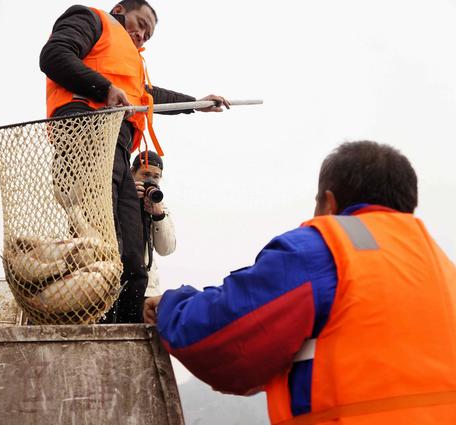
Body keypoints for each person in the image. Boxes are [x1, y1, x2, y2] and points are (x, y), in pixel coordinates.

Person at [144, 141, 456, 424]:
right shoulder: (442, 267)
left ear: (329, 204)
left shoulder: (326, 250)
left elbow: (222, 332)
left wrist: (172, 304)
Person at [40, 0, 228, 323]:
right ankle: (95, 325)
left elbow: (152, 98)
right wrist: (104, 88)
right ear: (119, 10)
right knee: (101, 243)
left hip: (117, 149)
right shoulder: (91, 19)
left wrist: (198, 103)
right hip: (86, 132)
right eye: (140, 23)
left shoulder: (132, 68)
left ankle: (123, 328)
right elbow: (53, 56)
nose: (142, 34)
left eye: (148, 33)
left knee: (131, 257)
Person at [131, 151, 176, 298]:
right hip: (116, 284)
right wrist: (128, 197)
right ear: (132, 173)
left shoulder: (160, 207)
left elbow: (166, 249)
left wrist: (158, 216)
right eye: (145, 175)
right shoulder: (118, 197)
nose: (151, 180)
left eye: (156, 177)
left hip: (147, 288)